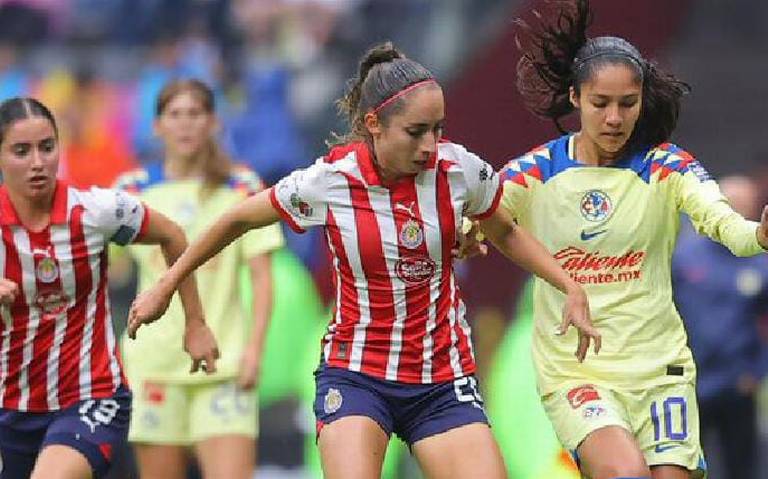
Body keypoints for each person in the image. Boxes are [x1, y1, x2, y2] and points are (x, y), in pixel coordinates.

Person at [127, 42, 600, 479]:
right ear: (374, 124)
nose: (430, 145)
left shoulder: (460, 171)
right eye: (415, 132)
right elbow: (236, 219)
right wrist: (166, 285)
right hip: (358, 374)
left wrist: (569, 286)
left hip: (441, 376)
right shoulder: (330, 181)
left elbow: (506, 231)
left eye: (438, 129)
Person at [499, 1, 768, 478]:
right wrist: (464, 235)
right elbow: (483, 216)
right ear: (575, 97)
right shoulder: (535, 171)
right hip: (579, 372)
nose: (614, 117)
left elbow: (722, 223)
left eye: (627, 103)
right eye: (600, 102)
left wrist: (758, 233)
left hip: (660, 371)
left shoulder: (668, 166)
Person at [0, 97, 219, 479]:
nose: (38, 162)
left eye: (47, 147)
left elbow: (172, 235)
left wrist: (194, 320)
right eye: (21, 151)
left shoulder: (96, 211)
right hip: (9, 406)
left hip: (89, 396)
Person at [113, 79, 285, 479]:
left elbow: (262, 278)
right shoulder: (131, 190)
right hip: (153, 364)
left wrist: (254, 351)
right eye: (175, 115)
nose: (185, 124)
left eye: (195, 113)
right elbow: (105, 266)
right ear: (157, 126)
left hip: (223, 364)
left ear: (213, 122)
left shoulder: (241, 186)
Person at [672, 175, 768, 479]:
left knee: (742, 466)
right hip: (687, 379)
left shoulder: (761, 261)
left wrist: (758, 370)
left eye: (744, 204)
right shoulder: (683, 256)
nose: (736, 211)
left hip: (738, 381)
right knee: (685, 464)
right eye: (730, 203)